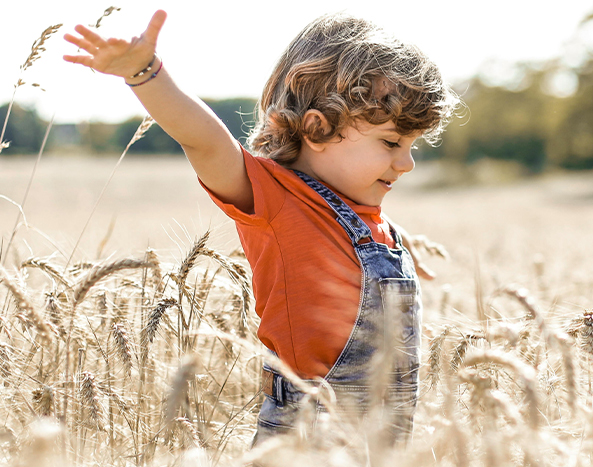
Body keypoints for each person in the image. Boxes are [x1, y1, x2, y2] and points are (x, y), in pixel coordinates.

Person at [61, 10, 459, 446]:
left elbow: (350, 247)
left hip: (382, 439)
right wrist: (145, 73)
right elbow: (206, 141)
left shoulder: (370, 220)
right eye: (391, 143)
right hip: (306, 436)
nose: (407, 163)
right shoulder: (276, 200)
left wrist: (397, 250)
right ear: (316, 127)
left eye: (412, 145)